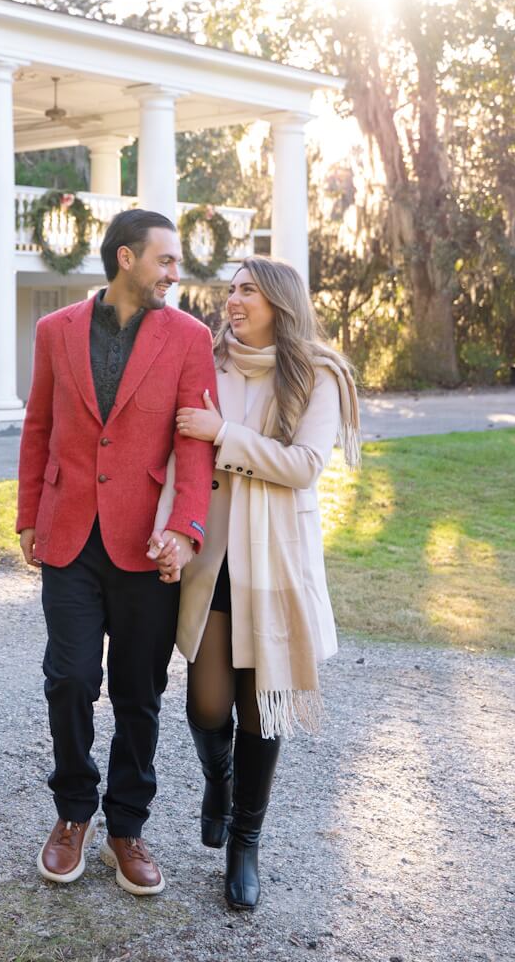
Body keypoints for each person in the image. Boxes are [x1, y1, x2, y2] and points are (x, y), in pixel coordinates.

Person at [16, 208, 217, 897]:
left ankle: (125, 830)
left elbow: (195, 443)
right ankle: (72, 814)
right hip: (69, 537)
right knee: (69, 679)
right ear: (127, 258)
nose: (174, 271)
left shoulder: (190, 338)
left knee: (139, 694)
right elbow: (38, 425)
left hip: (146, 546)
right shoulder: (55, 332)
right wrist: (26, 517)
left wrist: (187, 529)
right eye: (165, 259)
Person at [153, 256, 360, 910]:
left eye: (247, 291)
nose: (233, 299)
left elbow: (304, 465)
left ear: (278, 302)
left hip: (274, 560)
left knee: (261, 710)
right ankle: (218, 781)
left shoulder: (317, 373)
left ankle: (246, 842)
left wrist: (226, 434)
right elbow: (172, 452)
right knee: (206, 706)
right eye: (232, 289)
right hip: (212, 555)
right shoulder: (205, 360)